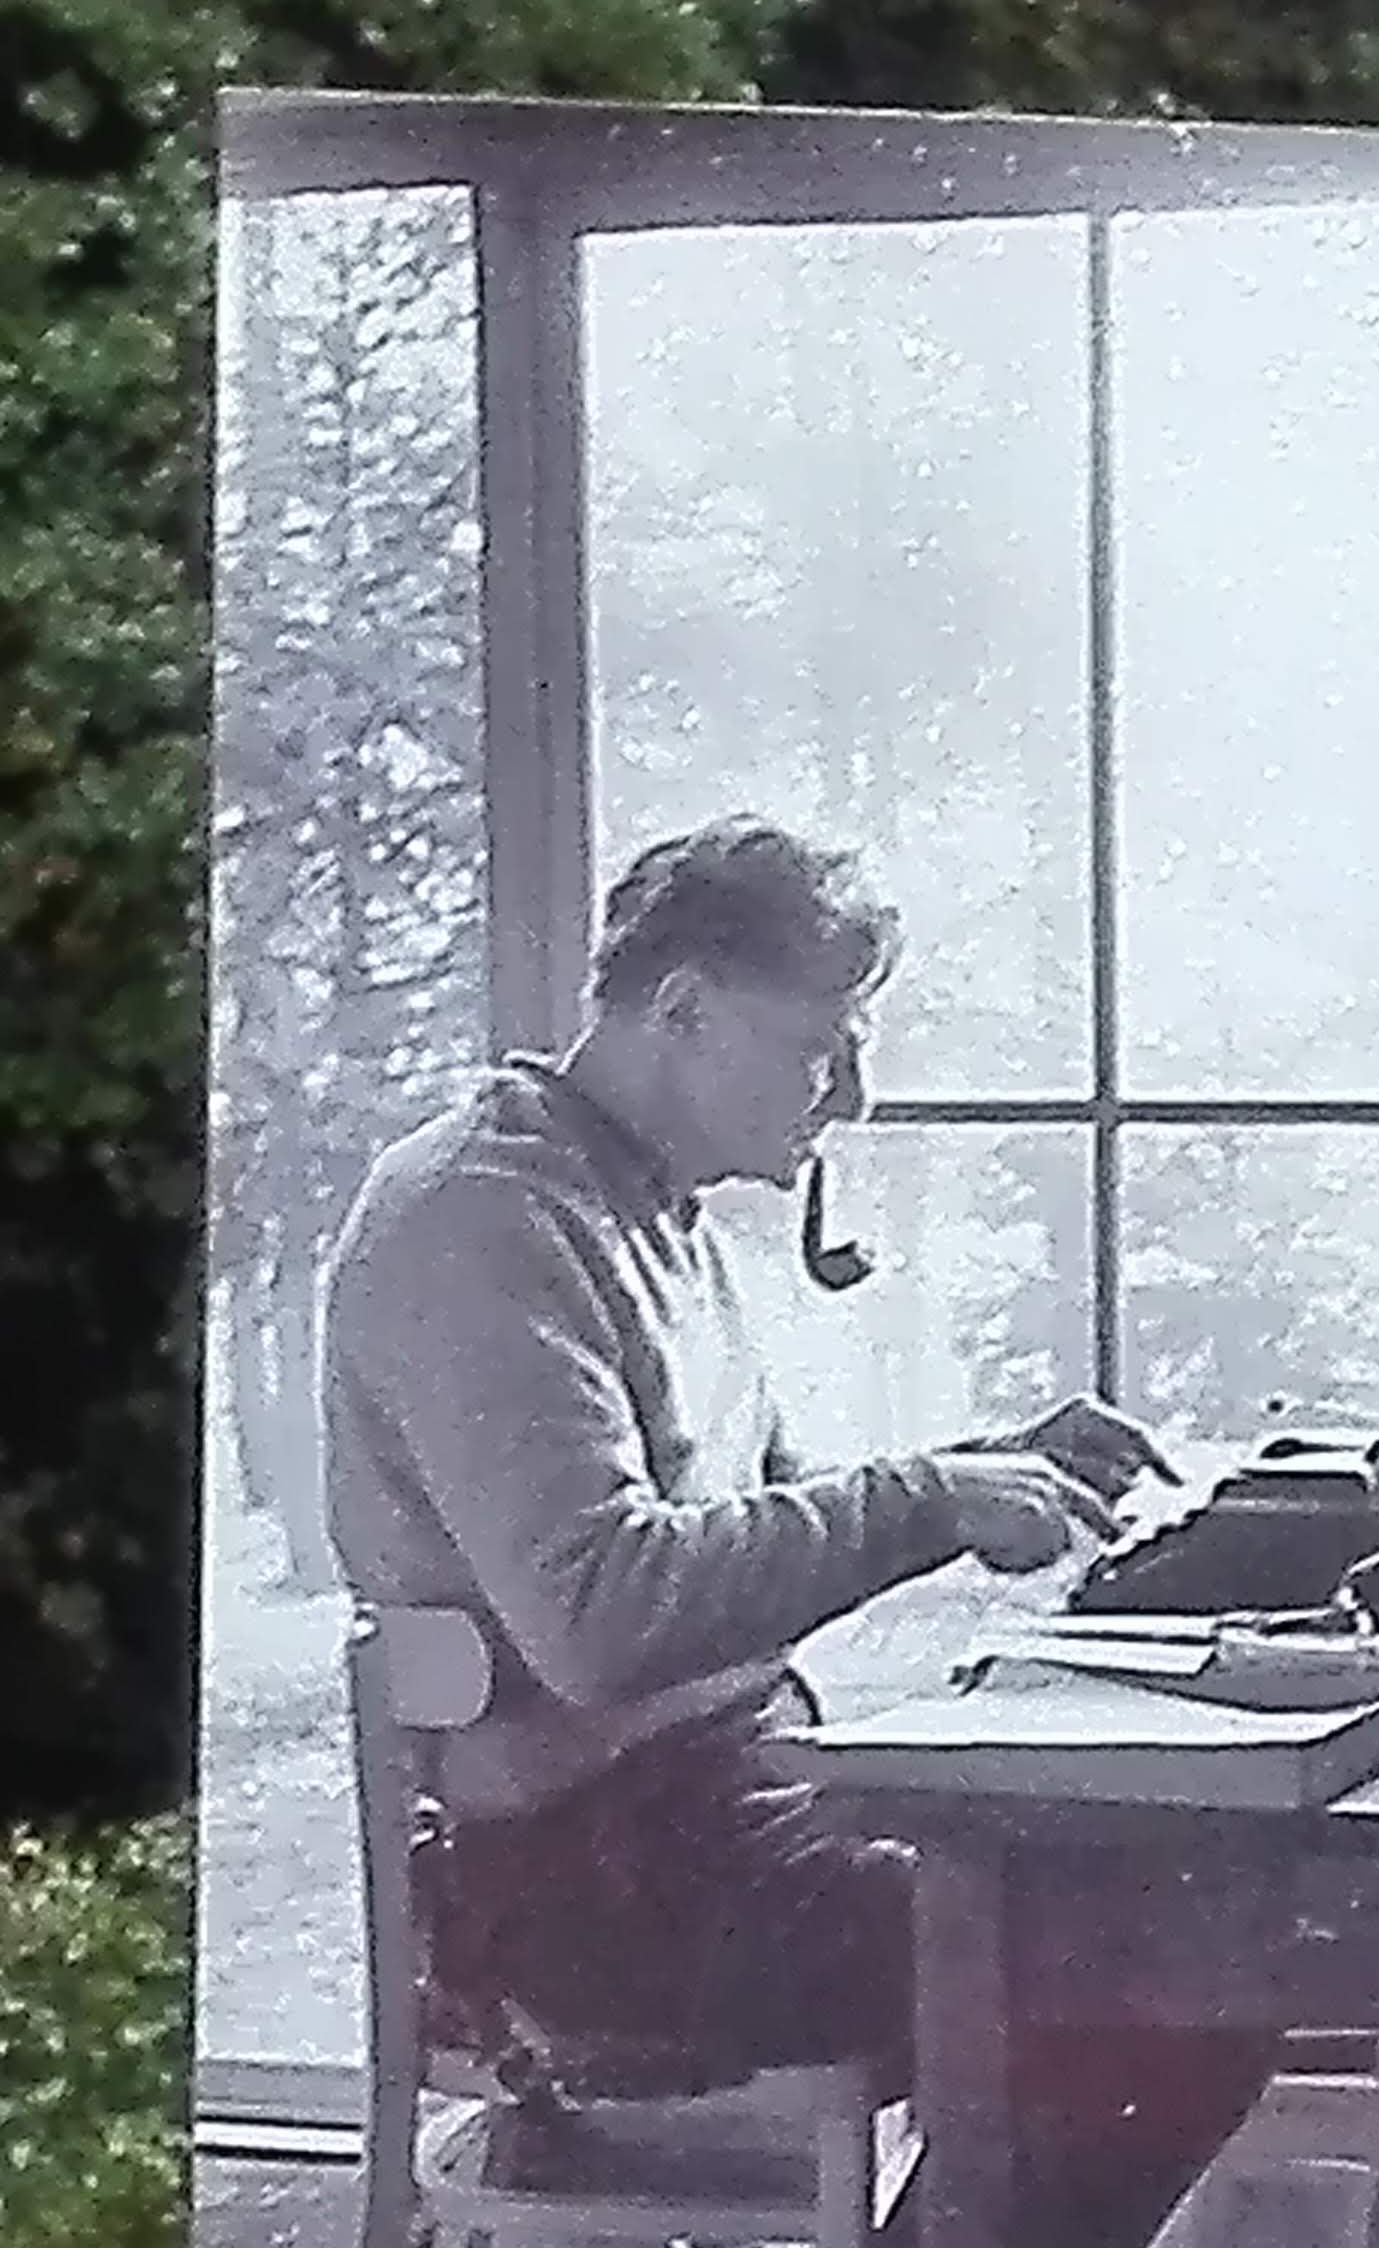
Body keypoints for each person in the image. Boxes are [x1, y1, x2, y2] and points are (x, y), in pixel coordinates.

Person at [323, 815, 1163, 2084]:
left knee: (1120, 1882)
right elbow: (601, 1616)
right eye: (823, 1046)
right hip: (581, 1879)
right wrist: (929, 1502)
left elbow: (742, 1541)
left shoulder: (643, 1210)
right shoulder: (481, 1216)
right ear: (685, 1008)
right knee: (1103, 1945)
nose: (855, 1094)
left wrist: (996, 1465)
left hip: (712, 1818)